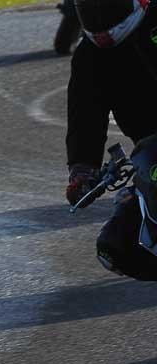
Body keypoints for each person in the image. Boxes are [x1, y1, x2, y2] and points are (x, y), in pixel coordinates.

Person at [65, 0, 157, 280]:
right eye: (90, 7)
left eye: (108, 5)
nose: (100, 16)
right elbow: (85, 114)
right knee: (115, 248)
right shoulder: (88, 54)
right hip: (150, 150)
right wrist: (83, 169)